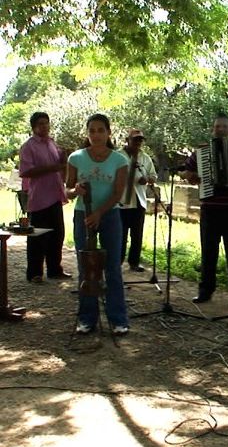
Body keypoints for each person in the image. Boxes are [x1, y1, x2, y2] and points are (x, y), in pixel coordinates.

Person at [66, 113, 130, 335]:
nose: (96, 135)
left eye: (100, 130)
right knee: (87, 268)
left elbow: (117, 193)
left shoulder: (120, 160)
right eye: (92, 130)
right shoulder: (76, 158)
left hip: (110, 216)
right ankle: (86, 319)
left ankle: (118, 319)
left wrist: (100, 213)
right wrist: (76, 191)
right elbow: (67, 190)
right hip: (83, 215)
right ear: (87, 133)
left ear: (108, 133)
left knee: (112, 266)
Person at [181, 113, 228, 307]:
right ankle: (205, 291)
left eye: (223, 127)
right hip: (210, 208)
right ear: (213, 129)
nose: (220, 129)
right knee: (208, 252)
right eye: (217, 127)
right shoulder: (201, 152)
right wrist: (193, 176)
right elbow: (186, 171)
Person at [18, 112, 70, 283]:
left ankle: (55, 270)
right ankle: (34, 273)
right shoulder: (28, 146)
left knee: (57, 235)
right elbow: (25, 171)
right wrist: (53, 167)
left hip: (55, 195)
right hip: (39, 198)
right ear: (33, 127)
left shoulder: (52, 143)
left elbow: (59, 166)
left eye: (46, 123)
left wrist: (63, 160)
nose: (44, 127)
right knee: (37, 237)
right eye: (41, 124)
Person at [119, 128, 157, 272]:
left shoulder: (145, 158)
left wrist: (147, 179)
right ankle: (118, 261)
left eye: (140, 140)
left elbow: (153, 175)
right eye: (135, 140)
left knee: (137, 235)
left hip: (139, 200)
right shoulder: (118, 156)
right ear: (127, 140)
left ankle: (134, 262)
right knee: (120, 235)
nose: (138, 143)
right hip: (121, 201)